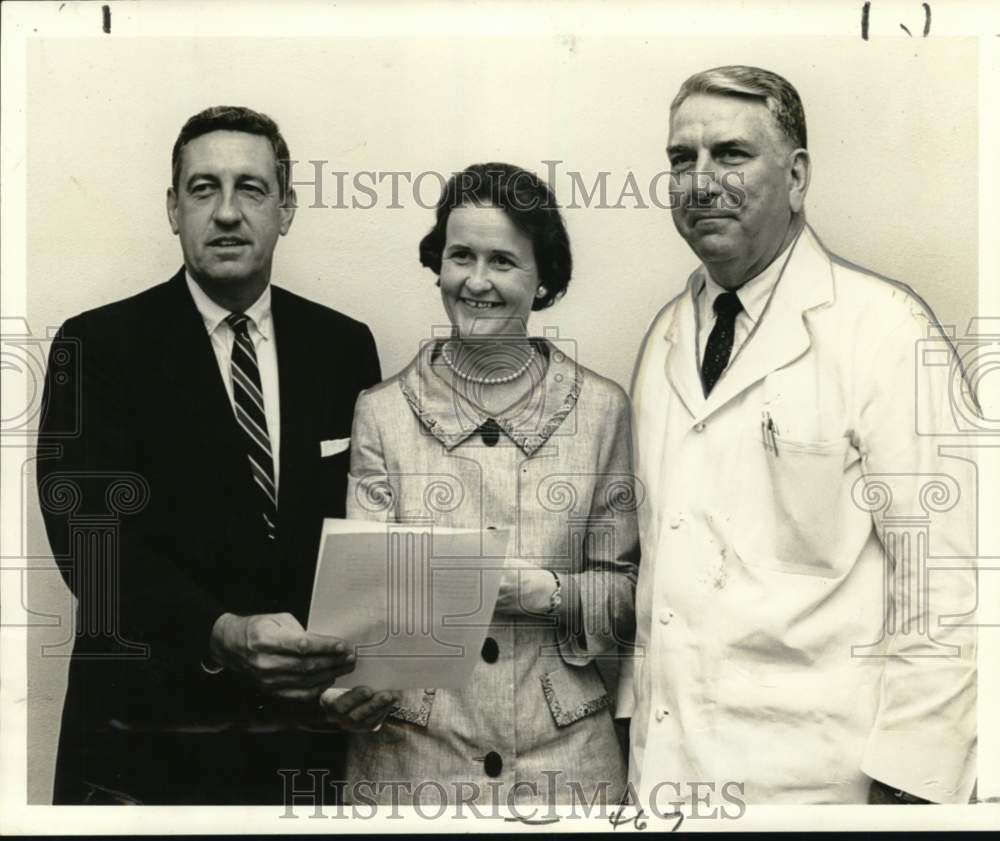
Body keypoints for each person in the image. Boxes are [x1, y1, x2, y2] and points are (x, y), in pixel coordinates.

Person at [621, 66, 978, 805]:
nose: (700, 181)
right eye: (680, 160)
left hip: (823, 787)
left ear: (797, 175)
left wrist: (915, 788)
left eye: (730, 153)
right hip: (668, 775)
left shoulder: (885, 328)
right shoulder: (664, 338)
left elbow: (949, 585)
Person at [35, 105, 381, 804]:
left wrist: (366, 667)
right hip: (142, 748)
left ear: (287, 209)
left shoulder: (344, 346)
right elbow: (92, 548)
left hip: (298, 747)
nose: (227, 212)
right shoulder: (96, 347)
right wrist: (220, 632)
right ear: (172, 208)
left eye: (251, 188)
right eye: (203, 188)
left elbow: (367, 528)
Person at [321, 163, 639, 806]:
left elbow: (629, 600)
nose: (476, 281)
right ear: (437, 265)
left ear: (543, 277)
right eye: (460, 255)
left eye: (503, 261)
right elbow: (363, 614)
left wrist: (542, 592)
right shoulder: (380, 412)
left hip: (565, 766)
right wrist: (346, 686)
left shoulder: (602, 410)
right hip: (412, 760)